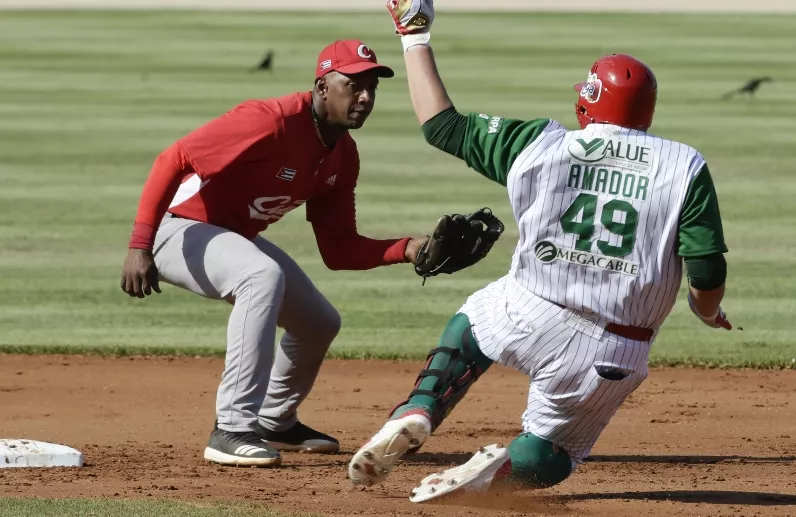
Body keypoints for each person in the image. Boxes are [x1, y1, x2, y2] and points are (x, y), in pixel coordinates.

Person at [348, 1, 732, 495]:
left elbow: (440, 125)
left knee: (471, 325)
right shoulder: (684, 166)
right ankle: (491, 474)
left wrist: (413, 34)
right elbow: (704, 269)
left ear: (586, 104)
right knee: (556, 454)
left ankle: (419, 407)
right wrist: (707, 310)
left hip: (529, 310)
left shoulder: (540, 143)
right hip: (615, 345)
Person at [120, 39, 431, 468]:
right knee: (260, 275)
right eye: (353, 85)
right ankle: (231, 427)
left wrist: (411, 250)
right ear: (322, 86)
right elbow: (172, 158)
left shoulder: (342, 155)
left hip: (231, 239)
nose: (365, 97)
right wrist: (140, 244)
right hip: (176, 228)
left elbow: (338, 248)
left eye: (372, 87)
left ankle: (274, 421)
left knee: (319, 321)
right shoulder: (269, 120)